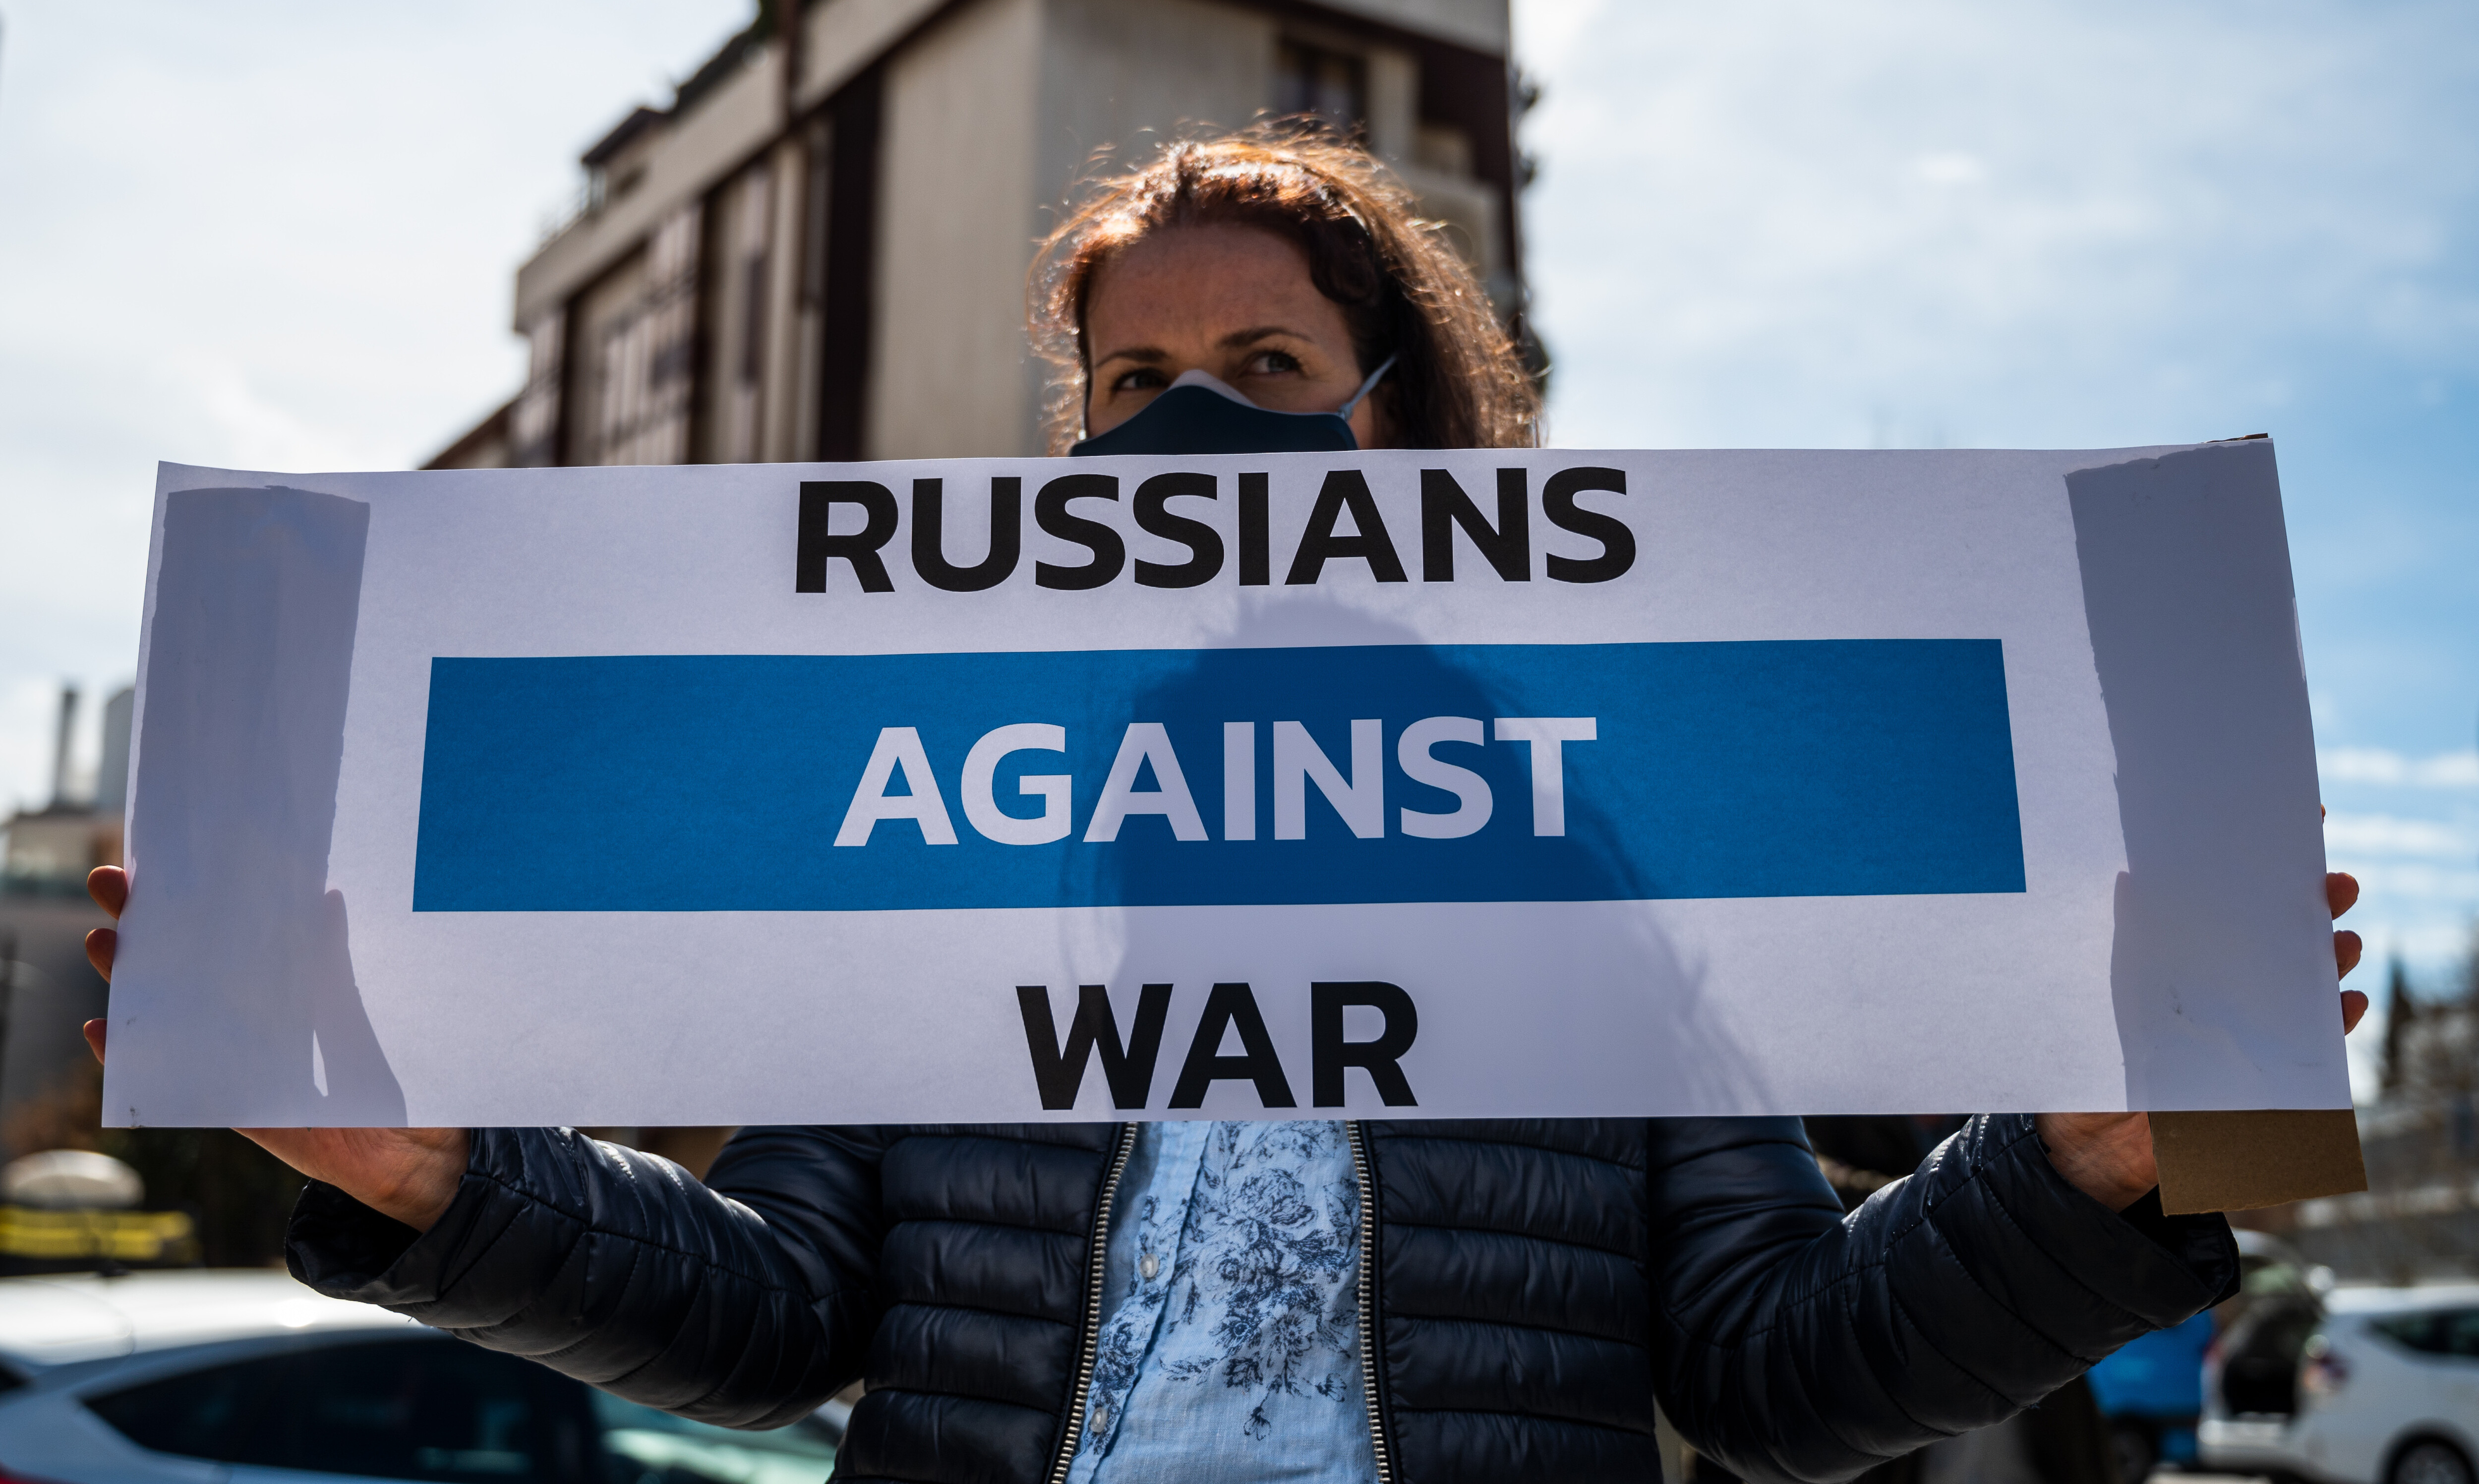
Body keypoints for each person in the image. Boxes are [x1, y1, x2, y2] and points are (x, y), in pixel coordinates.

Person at [80, 127, 2369, 1484]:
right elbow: (783, 1314)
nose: (1193, 436)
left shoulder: (1596, 859)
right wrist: (439, 1183)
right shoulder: (958, 853)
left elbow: (1776, 1377)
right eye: (1135, 386)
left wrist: (2076, 1178)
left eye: (1265, 372)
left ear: (1400, 427)